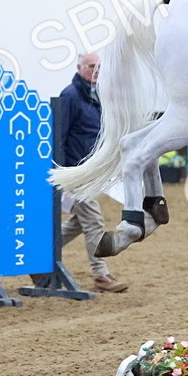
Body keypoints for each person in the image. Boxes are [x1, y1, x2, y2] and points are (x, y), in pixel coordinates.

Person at [58, 53, 128, 293]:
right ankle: (101, 275)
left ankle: (40, 252)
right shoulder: (70, 96)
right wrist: (64, 173)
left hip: (89, 171)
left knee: (79, 223)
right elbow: (59, 135)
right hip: (75, 172)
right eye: (90, 66)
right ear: (79, 68)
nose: (95, 70)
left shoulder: (95, 95)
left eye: (99, 66)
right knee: (94, 220)